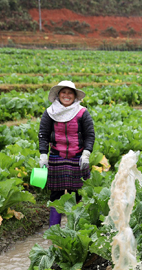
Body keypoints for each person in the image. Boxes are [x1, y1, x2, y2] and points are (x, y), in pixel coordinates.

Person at [38, 80, 95, 227]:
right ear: (58, 95)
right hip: (57, 156)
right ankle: (54, 230)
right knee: (56, 195)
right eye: (64, 92)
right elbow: (43, 134)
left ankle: (74, 227)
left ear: (75, 96)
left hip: (77, 157)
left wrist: (86, 153)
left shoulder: (82, 112)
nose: (67, 95)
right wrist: (43, 155)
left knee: (75, 195)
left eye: (70, 93)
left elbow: (90, 135)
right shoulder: (50, 112)